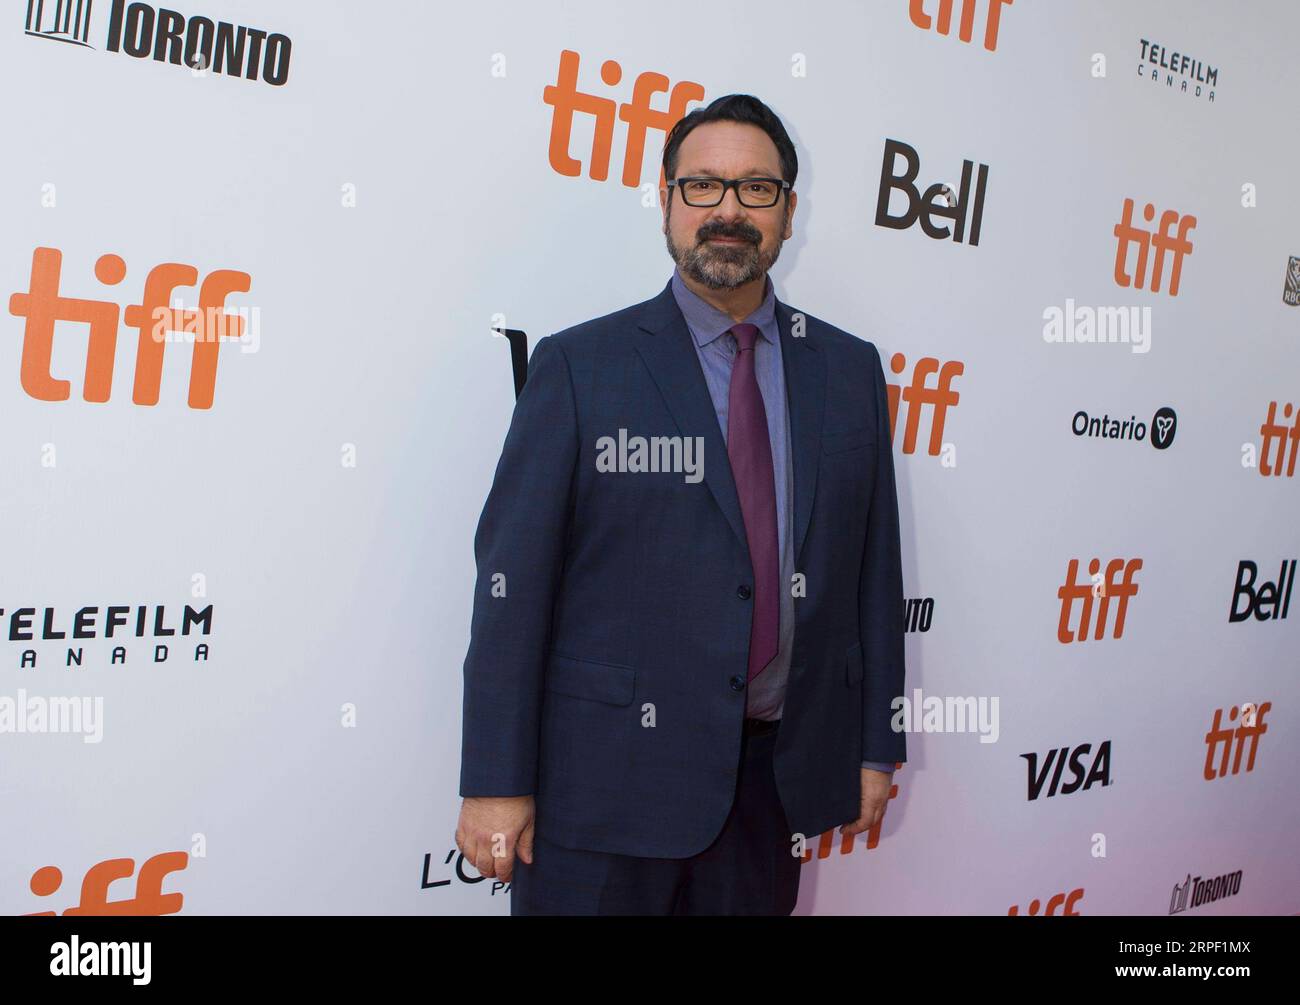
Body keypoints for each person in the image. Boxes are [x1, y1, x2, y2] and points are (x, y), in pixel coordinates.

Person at [456, 93, 906, 915]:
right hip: (599, 795)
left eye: (755, 189)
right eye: (702, 186)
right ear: (666, 201)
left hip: (773, 789)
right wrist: (493, 780)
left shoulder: (848, 370)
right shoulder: (579, 367)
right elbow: (511, 590)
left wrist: (876, 744)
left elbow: (874, 574)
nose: (728, 209)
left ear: (788, 212)